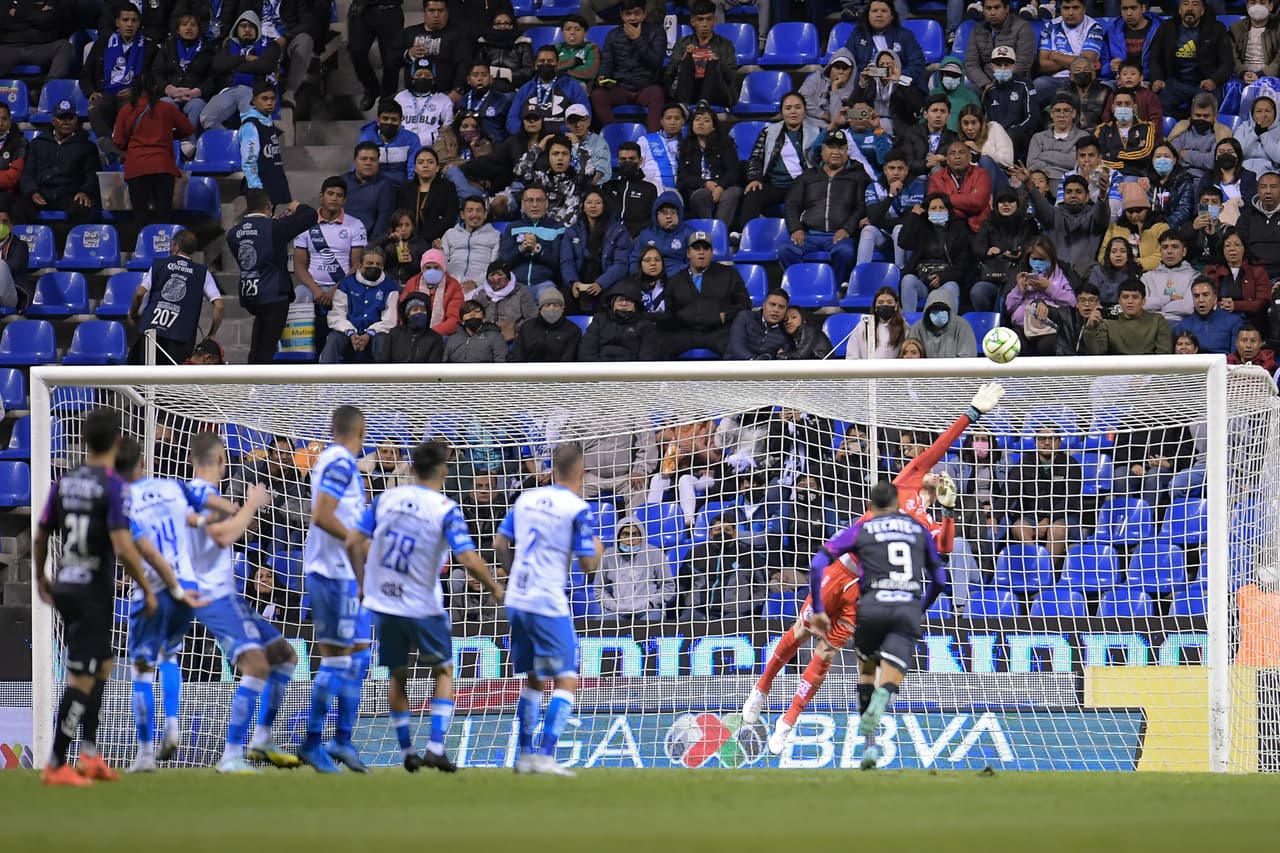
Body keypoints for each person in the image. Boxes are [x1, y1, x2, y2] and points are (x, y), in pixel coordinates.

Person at [745, 384, 1004, 758]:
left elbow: (944, 550)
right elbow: (940, 446)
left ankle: (787, 722)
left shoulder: (930, 525)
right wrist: (972, 414)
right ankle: (762, 689)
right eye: (937, 472)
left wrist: (949, 511)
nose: (939, 473)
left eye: (945, 477)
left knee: (826, 654)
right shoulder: (909, 480)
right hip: (842, 570)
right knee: (801, 630)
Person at [350, 440, 502, 773]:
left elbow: (353, 540)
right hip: (423, 604)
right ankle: (435, 746)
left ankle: (406, 751)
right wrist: (494, 587)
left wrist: (363, 584)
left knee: (397, 675)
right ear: (444, 472)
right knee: (444, 670)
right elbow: (467, 558)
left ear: (412, 468)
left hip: (386, 602)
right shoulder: (445, 508)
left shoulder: (384, 500)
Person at [35, 411, 158, 785]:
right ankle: (57, 762)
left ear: (85, 439)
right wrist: (147, 587)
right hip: (92, 591)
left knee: (103, 666)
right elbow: (122, 546)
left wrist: (41, 574)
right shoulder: (113, 486)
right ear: (117, 441)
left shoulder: (64, 481)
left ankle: (89, 753)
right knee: (82, 678)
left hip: (66, 584)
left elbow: (40, 533)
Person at [183, 432, 299, 774]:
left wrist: (239, 510)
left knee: (284, 657)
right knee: (259, 667)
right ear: (221, 461)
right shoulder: (202, 494)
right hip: (213, 597)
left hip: (226, 595)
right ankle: (231, 755)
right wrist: (251, 503)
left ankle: (261, 739)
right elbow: (223, 535)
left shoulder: (199, 494)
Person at [495, 443, 601, 776]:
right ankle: (545, 754)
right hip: (546, 601)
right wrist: (598, 548)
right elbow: (587, 566)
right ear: (581, 472)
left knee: (534, 678)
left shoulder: (525, 499)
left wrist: (513, 576)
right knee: (567, 677)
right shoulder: (577, 507)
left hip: (517, 597)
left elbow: (499, 543)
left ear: (552, 468)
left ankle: (524, 755)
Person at [115, 439, 203, 773]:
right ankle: (173, 722)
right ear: (141, 464)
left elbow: (142, 551)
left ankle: (146, 754)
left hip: (153, 588)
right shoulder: (172, 487)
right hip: (188, 582)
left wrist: (168, 587)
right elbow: (196, 516)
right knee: (170, 654)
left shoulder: (121, 502)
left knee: (141, 668)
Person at [298, 406, 371, 774]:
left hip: (344, 574)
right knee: (339, 660)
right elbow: (322, 515)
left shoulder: (339, 464)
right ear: (360, 431)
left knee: (358, 655)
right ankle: (312, 742)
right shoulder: (341, 464)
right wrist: (356, 539)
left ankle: (342, 738)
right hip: (330, 574)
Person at [230, 191, 318, 363]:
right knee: (266, 351)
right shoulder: (274, 228)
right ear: (269, 206)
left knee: (258, 347)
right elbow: (310, 216)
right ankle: (258, 387)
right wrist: (295, 205)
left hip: (250, 294)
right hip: (274, 295)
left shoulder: (233, 233)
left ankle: (253, 382)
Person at [779, 130, 868, 288]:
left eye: (841, 148)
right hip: (809, 235)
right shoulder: (808, 176)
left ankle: (836, 290)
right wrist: (795, 229)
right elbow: (792, 204)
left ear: (847, 151)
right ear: (822, 150)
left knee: (845, 252)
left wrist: (847, 229)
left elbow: (862, 207)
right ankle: (803, 288)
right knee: (786, 250)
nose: (836, 152)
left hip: (840, 236)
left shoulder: (859, 176)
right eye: (831, 147)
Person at [107, 74, 192, 228]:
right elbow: (188, 128)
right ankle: (163, 250)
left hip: (137, 167)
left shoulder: (127, 110)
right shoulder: (167, 108)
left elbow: (118, 141)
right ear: (155, 88)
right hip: (162, 166)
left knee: (140, 218)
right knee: (163, 218)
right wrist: (170, 135)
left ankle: (143, 250)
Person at [128, 229, 224, 365]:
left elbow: (139, 294)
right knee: (172, 384)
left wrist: (133, 315)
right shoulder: (202, 272)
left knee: (145, 380)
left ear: (175, 246)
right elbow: (219, 306)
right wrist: (212, 333)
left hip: (151, 331)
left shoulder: (159, 265)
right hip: (181, 335)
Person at [80, 5, 157, 163]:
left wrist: (136, 90)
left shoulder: (149, 48)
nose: (129, 24)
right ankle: (113, 148)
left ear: (139, 24)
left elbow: (154, 79)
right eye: (125, 20)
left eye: (134, 21)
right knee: (94, 107)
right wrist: (91, 92)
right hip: (107, 93)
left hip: (132, 96)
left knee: (129, 109)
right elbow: (85, 76)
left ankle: (115, 150)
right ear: (117, 22)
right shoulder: (102, 45)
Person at [739, 92, 825, 229]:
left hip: (802, 185)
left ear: (804, 110)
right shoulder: (769, 131)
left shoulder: (817, 132)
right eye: (788, 108)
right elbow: (756, 157)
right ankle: (744, 233)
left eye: (797, 107)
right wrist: (755, 178)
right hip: (775, 185)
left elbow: (823, 160)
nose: (793, 112)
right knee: (753, 192)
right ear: (782, 112)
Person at [661, 232, 752, 357]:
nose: (701, 252)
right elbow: (668, 313)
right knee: (659, 348)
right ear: (688, 253)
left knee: (737, 352)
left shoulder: (729, 274)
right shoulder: (675, 280)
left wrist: (725, 316)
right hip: (685, 332)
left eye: (705, 248)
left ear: (711, 252)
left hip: (719, 332)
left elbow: (745, 304)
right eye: (696, 248)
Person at [14, 100, 100, 226]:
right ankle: (20, 245)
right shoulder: (37, 143)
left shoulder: (87, 146)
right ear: (53, 121)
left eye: (70, 117)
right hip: (42, 192)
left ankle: (75, 245)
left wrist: (84, 191)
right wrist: (33, 192)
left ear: (76, 120)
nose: (66, 121)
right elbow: (27, 174)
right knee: (18, 209)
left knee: (83, 208)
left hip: (70, 194)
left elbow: (92, 174)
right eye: (61, 117)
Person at [1016, 168, 1110, 279]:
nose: (1073, 195)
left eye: (1078, 192)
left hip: (1085, 278)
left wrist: (1103, 194)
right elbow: (1040, 204)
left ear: (1087, 196)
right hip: (1054, 277)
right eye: (1069, 192)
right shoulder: (1053, 214)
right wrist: (1029, 184)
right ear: (1063, 194)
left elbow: (1102, 213)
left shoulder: (1093, 215)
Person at [589, 0, 667, 131]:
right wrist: (603, 77)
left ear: (644, 14)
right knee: (597, 95)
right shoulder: (613, 35)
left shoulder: (657, 32)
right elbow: (607, 63)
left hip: (646, 87)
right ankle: (613, 132)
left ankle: (653, 139)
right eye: (628, 14)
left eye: (637, 13)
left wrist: (637, 39)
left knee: (657, 93)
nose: (632, 18)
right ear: (622, 15)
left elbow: (655, 63)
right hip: (621, 87)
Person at [201, 10, 283, 131]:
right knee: (206, 118)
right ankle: (230, 142)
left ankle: (249, 143)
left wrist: (232, 66)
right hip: (231, 90)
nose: (247, 30)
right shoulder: (228, 45)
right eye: (243, 26)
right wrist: (245, 58)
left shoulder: (270, 45)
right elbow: (217, 65)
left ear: (257, 29)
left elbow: (266, 66)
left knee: (252, 121)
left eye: (251, 26)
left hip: (254, 90)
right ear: (236, 29)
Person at [1149, 0, 1232, 119]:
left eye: (1195, 4)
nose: (1190, 8)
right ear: (1179, 9)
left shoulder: (1216, 28)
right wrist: (1156, 79)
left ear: (1202, 10)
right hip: (1175, 83)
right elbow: (1154, 58)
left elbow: (1227, 62)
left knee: (1206, 111)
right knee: (1156, 106)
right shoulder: (1166, 27)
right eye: (1185, 3)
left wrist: (1214, 80)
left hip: (1204, 84)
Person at [320, 245, 399, 364]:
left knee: (383, 338)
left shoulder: (390, 287)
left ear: (383, 267)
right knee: (334, 338)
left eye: (378, 264)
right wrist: (351, 333)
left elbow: (390, 320)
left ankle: (381, 380)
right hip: (349, 334)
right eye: (370, 263)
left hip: (375, 336)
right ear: (361, 266)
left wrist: (369, 334)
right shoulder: (347, 284)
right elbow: (337, 315)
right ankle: (324, 379)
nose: (374, 266)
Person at [898, 192, 973, 312]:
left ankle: (949, 327)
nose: (938, 211)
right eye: (933, 208)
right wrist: (913, 216)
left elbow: (963, 265)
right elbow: (903, 242)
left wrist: (943, 277)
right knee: (908, 280)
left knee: (951, 287)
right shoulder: (921, 227)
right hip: (922, 281)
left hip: (946, 281)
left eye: (942, 208)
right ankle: (909, 324)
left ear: (948, 210)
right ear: (927, 211)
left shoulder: (959, 231)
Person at [561, 190, 632, 314]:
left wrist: (601, 284)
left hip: (606, 281)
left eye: (598, 203)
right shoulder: (572, 231)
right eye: (589, 202)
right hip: (579, 280)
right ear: (583, 207)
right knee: (565, 297)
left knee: (608, 298)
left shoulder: (618, 231)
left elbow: (621, 263)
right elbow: (567, 261)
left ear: (604, 206)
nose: (593, 206)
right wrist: (573, 282)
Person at [1005, 236, 1079, 356]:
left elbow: (1072, 302)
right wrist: (1019, 290)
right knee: (1011, 343)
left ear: (1051, 258)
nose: (1038, 263)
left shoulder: (1060, 275)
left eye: (1043, 259)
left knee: (1047, 346)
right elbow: (1008, 308)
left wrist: (1048, 288)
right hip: (1022, 326)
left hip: (1048, 328)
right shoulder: (1022, 274)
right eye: (1034, 259)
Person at [971, 188, 1039, 312]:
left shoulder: (1028, 224)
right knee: (978, 292)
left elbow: (1036, 247)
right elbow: (976, 248)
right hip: (993, 275)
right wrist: (987, 251)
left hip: (1019, 275)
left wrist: (1021, 252)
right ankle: (987, 322)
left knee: (1005, 295)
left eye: (1011, 201)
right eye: (1002, 202)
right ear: (996, 205)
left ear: (1017, 204)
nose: (1006, 205)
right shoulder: (988, 223)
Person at [677, 104, 743, 231]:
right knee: (698, 196)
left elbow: (733, 170)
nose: (700, 123)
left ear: (713, 127)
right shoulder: (685, 147)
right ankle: (711, 231)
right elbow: (684, 176)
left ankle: (719, 232)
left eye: (706, 120)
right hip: (701, 188)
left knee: (733, 193)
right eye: (697, 119)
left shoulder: (725, 143)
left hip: (725, 186)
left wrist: (721, 186)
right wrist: (705, 183)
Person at [858, 148, 926, 266]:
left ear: (906, 170)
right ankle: (860, 274)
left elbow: (911, 219)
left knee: (898, 229)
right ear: (885, 170)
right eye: (891, 168)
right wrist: (890, 196)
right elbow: (873, 218)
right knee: (867, 231)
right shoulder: (874, 187)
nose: (895, 173)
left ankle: (900, 272)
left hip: (906, 235)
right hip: (883, 234)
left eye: (900, 168)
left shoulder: (917, 186)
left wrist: (881, 222)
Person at [596, 516, 670, 622]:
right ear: (618, 536)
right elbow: (599, 589)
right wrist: (614, 606)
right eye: (626, 534)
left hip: (649, 610)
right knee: (600, 625)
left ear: (641, 536)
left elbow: (668, 586)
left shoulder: (655, 553)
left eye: (634, 534)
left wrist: (650, 603)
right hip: (618, 611)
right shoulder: (608, 556)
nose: (630, 539)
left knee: (651, 626)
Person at [499, 185, 565, 300]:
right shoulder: (513, 227)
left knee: (550, 301)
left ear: (546, 204)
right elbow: (503, 261)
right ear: (523, 204)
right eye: (530, 200)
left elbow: (559, 262)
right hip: (516, 284)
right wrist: (521, 249)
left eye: (539, 200)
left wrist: (538, 249)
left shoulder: (557, 228)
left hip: (545, 284)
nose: (535, 205)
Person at [845, 1, 928, 92]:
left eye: (884, 11)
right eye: (874, 11)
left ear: (892, 16)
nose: (879, 14)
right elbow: (848, 64)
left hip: (898, 86)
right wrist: (862, 79)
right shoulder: (857, 35)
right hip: (866, 86)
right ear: (868, 15)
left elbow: (917, 64)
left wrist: (895, 76)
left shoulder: (905, 35)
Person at [152, 13, 215, 133]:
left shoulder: (208, 51)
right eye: (184, 25)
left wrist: (197, 91)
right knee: (164, 105)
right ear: (178, 29)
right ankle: (165, 142)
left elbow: (212, 79)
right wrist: (168, 88)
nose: (188, 28)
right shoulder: (167, 47)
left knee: (197, 106)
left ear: (199, 30)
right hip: (170, 95)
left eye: (193, 25)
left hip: (195, 97)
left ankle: (189, 142)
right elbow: (157, 73)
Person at [667, 0, 737, 108]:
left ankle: (704, 105)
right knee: (687, 62)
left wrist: (718, 63)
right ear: (693, 21)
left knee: (712, 64)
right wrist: (683, 59)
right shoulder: (683, 44)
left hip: (715, 92)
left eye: (709, 19)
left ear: (714, 20)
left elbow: (731, 76)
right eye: (700, 20)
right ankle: (684, 106)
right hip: (689, 90)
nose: (704, 24)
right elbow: (670, 73)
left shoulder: (725, 45)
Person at [509, 45, 590, 137]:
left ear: (558, 64)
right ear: (536, 65)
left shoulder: (572, 86)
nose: (546, 64)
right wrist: (526, 131)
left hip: (562, 138)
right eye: (542, 61)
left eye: (550, 61)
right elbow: (512, 119)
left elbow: (585, 115)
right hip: (530, 138)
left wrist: (561, 131)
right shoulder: (525, 89)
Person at [515, 132, 594, 226]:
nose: (560, 158)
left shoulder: (577, 181)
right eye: (555, 154)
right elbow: (519, 171)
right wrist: (538, 148)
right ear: (548, 157)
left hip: (568, 235)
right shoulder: (541, 179)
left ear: (571, 158)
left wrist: (578, 146)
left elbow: (589, 170)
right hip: (542, 233)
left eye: (564, 154)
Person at [1033, 0, 1104, 103]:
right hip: (1054, 80)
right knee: (1037, 85)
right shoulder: (1050, 26)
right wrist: (1075, 60)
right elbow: (1043, 65)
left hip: (1082, 79)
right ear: (1060, 9)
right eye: (1066, 8)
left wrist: (1056, 57)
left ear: (1084, 9)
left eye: (1075, 8)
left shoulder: (1093, 27)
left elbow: (1085, 64)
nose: (1070, 13)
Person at [1080, 277, 1173, 353]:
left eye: (1135, 297)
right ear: (1119, 301)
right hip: (1117, 372)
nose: (1130, 301)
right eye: (1125, 297)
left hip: (1149, 373)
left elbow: (1163, 354)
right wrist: (1090, 329)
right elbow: (1097, 352)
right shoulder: (1108, 322)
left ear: (1143, 301)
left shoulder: (1157, 321)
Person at [399, 0, 472, 95]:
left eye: (440, 11)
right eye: (431, 10)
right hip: (411, 94)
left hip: (446, 93)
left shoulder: (459, 35)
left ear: (447, 12)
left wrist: (458, 89)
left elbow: (464, 64)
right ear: (424, 12)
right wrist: (408, 54)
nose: (436, 15)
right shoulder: (409, 33)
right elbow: (391, 59)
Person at [236, 83, 291, 207]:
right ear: (254, 100)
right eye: (264, 99)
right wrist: (256, 188)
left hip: (275, 179)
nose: (269, 102)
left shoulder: (269, 122)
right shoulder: (250, 126)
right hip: (260, 185)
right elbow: (249, 160)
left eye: (272, 98)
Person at [578, 280, 661, 361]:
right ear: (612, 303)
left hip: (631, 371)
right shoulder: (600, 320)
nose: (624, 303)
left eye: (628, 300)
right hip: (600, 370)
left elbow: (647, 357)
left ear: (636, 305)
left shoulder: (645, 325)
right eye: (620, 300)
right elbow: (586, 352)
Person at [349, 0, 409, 109]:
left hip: (390, 9)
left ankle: (387, 100)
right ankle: (371, 88)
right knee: (356, 52)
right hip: (362, 10)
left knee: (391, 60)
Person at [965, 0, 1037, 90]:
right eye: (988, 8)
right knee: (966, 87)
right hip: (986, 83)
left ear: (1006, 9)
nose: (992, 13)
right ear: (983, 10)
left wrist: (1000, 83)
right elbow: (971, 64)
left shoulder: (1022, 27)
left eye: (997, 7)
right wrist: (986, 84)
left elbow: (1023, 63)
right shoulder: (977, 30)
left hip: (1015, 82)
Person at [853, 49, 926, 137]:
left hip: (899, 131)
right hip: (871, 128)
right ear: (875, 67)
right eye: (881, 65)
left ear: (897, 66)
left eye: (889, 64)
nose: (885, 68)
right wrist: (862, 85)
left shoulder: (905, 82)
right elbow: (853, 109)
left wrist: (898, 81)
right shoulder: (869, 83)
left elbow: (917, 107)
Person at [1205, 227, 1271, 323]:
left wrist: (1235, 305)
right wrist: (1221, 305)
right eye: (1227, 245)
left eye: (1237, 245)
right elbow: (1206, 301)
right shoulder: (1213, 272)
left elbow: (1262, 302)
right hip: (1220, 321)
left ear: (1245, 248)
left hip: (1250, 322)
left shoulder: (1258, 272)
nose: (1232, 249)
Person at [1099, 181, 1168, 271]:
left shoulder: (1160, 227)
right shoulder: (1115, 227)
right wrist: (1117, 264)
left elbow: (1163, 254)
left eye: (1138, 210)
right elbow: (1103, 254)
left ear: (1146, 209)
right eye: (1130, 211)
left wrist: (1137, 264)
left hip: (1150, 273)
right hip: (1118, 272)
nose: (1134, 215)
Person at [927, 138, 992, 234]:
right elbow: (935, 206)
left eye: (961, 152)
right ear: (947, 160)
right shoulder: (936, 178)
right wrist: (968, 203)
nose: (957, 156)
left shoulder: (981, 174)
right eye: (952, 153)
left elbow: (978, 202)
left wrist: (946, 198)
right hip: (947, 227)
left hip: (977, 228)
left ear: (970, 157)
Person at [1027, 92, 1088, 192]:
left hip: (1070, 183)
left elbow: (1074, 162)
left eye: (1066, 111)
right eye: (1057, 111)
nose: (1061, 115)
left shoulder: (1083, 137)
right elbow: (1032, 164)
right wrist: (1056, 172)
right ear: (1051, 113)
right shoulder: (1038, 137)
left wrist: (1044, 155)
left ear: (1074, 114)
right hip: (1041, 183)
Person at [397, 147, 458, 246]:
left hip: (437, 240)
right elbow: (399, 216)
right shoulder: (405, 189)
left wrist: (427, 238)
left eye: (430, 162)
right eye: (420, 162)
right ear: (415, 168)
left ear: (437, 167)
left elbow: (450, 217)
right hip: (408, 239)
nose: (425, 165)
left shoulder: (447, 187)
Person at [1167, 93, 1234, 183]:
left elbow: (1212, 162)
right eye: (1198, 115)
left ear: (1215, 115)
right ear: (1191, 113)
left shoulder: (1222, 132)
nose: (1201, 119)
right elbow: (1171, 156)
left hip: (1206, 181)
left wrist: (1185, 154)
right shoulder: (1182, 128)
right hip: (1178, 178)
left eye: (1206, 116)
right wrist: (1202, 158)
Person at [0, 0, 73, 80]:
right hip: (9, 47)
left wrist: (18, 13)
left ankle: (50, 88)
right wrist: (36, 17)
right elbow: (4, 22)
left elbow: (47, 20)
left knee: (64, 46)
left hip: (40, 48)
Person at [443, 196, 501, 295]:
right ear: (462, 214)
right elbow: (442, 262)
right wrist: (451, 282)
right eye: (470, 210)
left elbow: (495, 266)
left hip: (481, 287)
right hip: (450, 285)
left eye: (478, 211)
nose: (474, 215)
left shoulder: (495, 235)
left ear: (485, 214)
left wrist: (476, 283)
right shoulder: (450, 234)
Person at [401, 247, 463, 335]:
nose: (432, 271)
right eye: (428, 267)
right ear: (422, 269)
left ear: (443, 268)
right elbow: (403, 313)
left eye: (436, 267)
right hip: (413, 332)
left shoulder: (453, 286)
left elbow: (454, 319)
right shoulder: (413, 283)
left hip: (441, 335)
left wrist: (431, 334)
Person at [1095, 87, 1157, 176]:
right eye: (1119, 104)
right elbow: (1098, 156)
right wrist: (1120, 165)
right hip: (1108, 175)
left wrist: (1116, 154)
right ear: (1113, 107)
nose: (1123, 107)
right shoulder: (1102, 129)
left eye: (1127, 104)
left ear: (1134, 107)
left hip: (1137, 176)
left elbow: (1145, 153)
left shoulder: (1147, 127)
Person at [1173, 276, 1243, 354]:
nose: (1201, 300)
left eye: (1205, 295)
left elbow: (1235, 356)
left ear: (1215, 298)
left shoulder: (1233, 321)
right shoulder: (1183, 325)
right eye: (1196, 296)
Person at [629, 191, 693, 277]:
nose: (668, 216)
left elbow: (694, 263)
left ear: (680, 214)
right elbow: (635, 260)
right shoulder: (646, 234)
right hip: (648, 280)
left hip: (678, 280)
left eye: (673, 212)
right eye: (664, 212)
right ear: (656, 215)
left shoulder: (689, 233)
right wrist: (638, 278)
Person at [345, 141, 397, 245]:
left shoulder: (385, 186)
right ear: (355, 161)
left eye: (373, 159)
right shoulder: (342, 182)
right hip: (340, 241)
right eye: (364, 159)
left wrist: (369, 246)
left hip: (369, 245)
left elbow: (383, 222)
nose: (368, 163)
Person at [474, 259, 537, 344]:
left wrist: (515, 328)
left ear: (507, 276)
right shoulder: (481, 294)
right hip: (485, 338)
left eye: (500, 274)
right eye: (492, 275)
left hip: (514, 338)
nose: (496, 278)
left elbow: (532, 317)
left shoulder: (520, 291)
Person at [359, 99, 420, 185]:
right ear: (378, 121)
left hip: (402, 188)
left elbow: (413, 170)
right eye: (385, 118)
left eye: (394, 119)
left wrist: (410, 190)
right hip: (374, 187)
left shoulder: (411, 139)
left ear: (400, 122)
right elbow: (359, 167)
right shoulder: (367, 138)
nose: (389, 122)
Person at [397, 58, 455, 149]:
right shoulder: (401, 97)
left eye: (427, 75)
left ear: (433, 79)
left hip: (432, 148)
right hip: (402, 146)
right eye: (418, 75)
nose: (423, 77)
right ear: (412, 78)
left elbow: (447, 126)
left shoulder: (443, 100)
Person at [1142, 230, 1198, 323]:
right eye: (1165, 247)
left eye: (1175, 247)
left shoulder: (1194, 277)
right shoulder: (1147, 277)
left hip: (1181, 325)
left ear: (1184, 251)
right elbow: (1141, 305)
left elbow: (1187, 308)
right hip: (1150, 325)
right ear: (1160, 251)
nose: (1169, 251)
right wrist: (1170, 299)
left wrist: (1157, 307)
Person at [452, 60, 514, 144]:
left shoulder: (502, 100)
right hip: (466, 146)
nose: (480, 79)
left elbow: (509, 129)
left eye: (484, 75)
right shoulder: (462, 102)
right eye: (475, 75)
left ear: (491, 79)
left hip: (495, 147)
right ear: (468, 80)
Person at [474, 9, 534, 96]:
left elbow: (529, 70)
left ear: (513, 25)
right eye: (498, 23)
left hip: (513, 89)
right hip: (486, 87)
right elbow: (477, 68)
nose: (502, 26)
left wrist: (508, 74)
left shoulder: (523, 43)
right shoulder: (484, 44)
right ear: (492, 25)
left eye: (507, 23)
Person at [512, 287, 581, 362]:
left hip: (560, 372)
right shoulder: (526, 327)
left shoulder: (573, 330)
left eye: (556, 305)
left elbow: (570, 358)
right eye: (547, 305)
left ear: (562, 308)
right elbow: (517, 355)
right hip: (529, 371)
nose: (551, 308)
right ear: (540, 308)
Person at [604, 142, 658, 238]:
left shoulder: (650, 188)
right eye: (623, 159)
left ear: (640, 160)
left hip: (637, 239)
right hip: (609, 237)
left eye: (632, 159)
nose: (627, 162)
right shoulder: (608, 187)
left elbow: (653, 220)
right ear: (618, 161)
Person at [897, 94, 957, 179]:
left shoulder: (954, 139)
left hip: (941, 180)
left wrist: (946, 160)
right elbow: (905, 161)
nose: (938, 115)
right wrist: (926, 164)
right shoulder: (911, 133)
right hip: (913, 179)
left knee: (936, 170)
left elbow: (959, 165)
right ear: (925, 114)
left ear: (948, 116)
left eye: (943, 111)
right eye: (934, 110)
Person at [725, 287, 792, 360]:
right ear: (764, 305)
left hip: (765, 369)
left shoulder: (785, 331)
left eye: (781, 307)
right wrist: (753, 360)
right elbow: (736, 346)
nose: (776, 310)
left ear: (786, 310)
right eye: (772, 304)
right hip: (734, 366)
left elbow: (783, 355)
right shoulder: (745, 317)